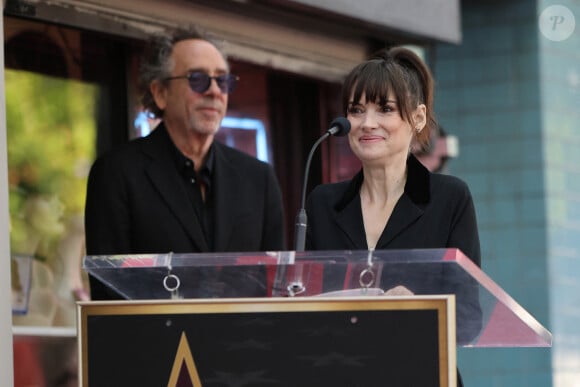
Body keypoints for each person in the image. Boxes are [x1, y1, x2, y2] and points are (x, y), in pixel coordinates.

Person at [304, 47, 481, 386]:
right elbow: (303, 303)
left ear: (417, 117)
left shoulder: (449, 198)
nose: (367, 123)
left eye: (385, 109)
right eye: (356, 110)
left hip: (422, 375)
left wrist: (420, 309)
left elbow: (470, 317)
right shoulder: (322, 203)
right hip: (342, 376)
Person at [84, 26, 286, 298]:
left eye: (222, 81)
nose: (215, 91)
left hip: (243, 339)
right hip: (156, 339)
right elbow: (109, 296)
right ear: (160, 93)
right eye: (198, 79)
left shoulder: (258, 179)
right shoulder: (117, 173)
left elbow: (277, 289)